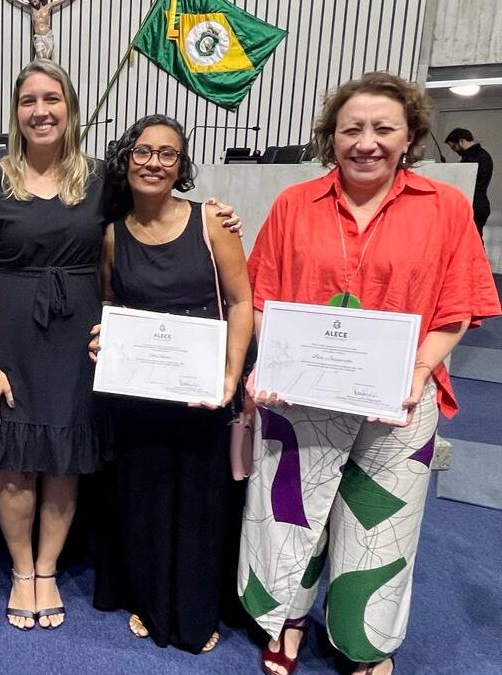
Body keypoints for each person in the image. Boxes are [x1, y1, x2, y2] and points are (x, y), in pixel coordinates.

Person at [0, 59, 241, 632]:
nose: (41, 110)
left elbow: (153, 213)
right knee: (13, 464)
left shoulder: (99, 179)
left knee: (65, 461)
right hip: (11, 332)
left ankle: (46, 570)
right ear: (15, 112)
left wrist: (216, 212)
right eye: (29, 100)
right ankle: (19, 571)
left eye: (53, 98)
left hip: (80, 336)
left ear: (71, 108)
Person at [239, 72, 501, 675]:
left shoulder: (445, 208)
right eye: (351, 128)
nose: (366, 141)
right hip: (299, 395)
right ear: (331, 137)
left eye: (384, 128)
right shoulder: (293, 204)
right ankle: (289, 620)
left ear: (409, 136)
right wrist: (268, 362)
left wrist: (419, 369)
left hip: (402, 396)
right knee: (290, 513)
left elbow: (457, 306)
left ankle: (364, 639)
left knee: (382, 520)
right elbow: (261, 297)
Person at [88, 114, 253, 653]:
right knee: (145, 498)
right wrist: (104, 337)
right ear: (125, 158)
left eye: (167, 154)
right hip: (139, 392)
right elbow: (112, 302)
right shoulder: (112, 234)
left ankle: (196, 610)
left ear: (181, 166)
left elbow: (240, 301)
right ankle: (148, 599)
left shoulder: (212, 223)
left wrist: (231, 374)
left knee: (200, 502)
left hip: (201, 388)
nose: (153, 162)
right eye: (142, 151)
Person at [444, 127, 493, 239]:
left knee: (472, 242)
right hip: (479, 204)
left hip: (473, 205)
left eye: (453, 146)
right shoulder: (482, 155)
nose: (454, 150)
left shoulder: (472, 158)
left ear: (462, 141)